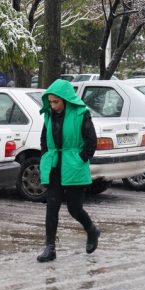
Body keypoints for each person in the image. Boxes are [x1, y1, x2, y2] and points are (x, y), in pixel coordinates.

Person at [37, 78, 100, 262]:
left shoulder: (81, 114)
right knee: (52, 207)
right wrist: (45, 156)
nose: (53, 105)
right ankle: (50, 248)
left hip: (74, 166)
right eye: (50, 102)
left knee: (74, 209)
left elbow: (91, 142)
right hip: (55, 165)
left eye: (56, 102)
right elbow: (44, 140)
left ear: (65, 99)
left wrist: (80, 159)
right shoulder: (48, 115)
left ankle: (92, 230)